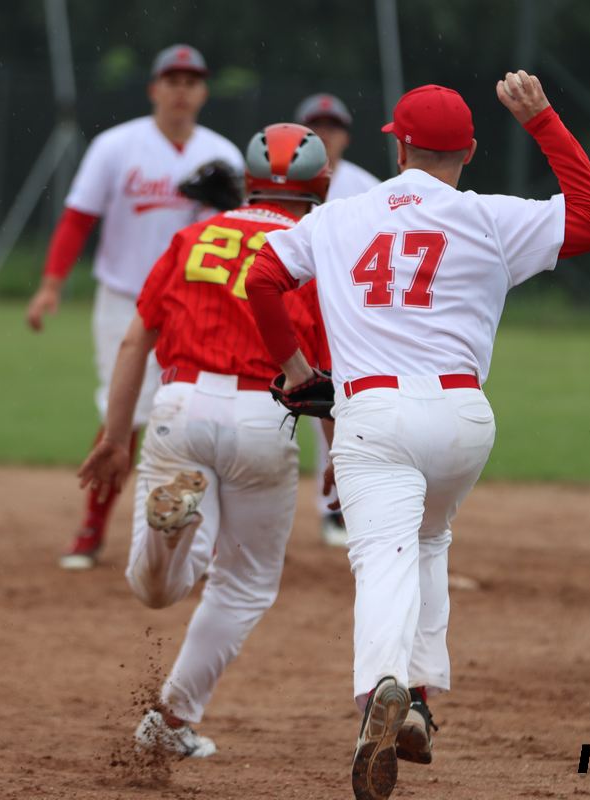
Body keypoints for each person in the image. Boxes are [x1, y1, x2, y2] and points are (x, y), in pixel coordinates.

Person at [247, 74, 590, 800]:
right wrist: (543, 122)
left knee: (382, 557)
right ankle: (417, 700)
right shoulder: (489, 218)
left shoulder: (342, 216)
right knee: (426, 540)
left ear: (400, 148)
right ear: (471, 150)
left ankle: (378, 695)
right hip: (462, 419)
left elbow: (261, 276)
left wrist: (295, 371)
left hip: (377, 416)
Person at [77, 123, 333, 757]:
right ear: (320, 188)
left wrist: (115, 437)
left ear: (248, 184)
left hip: (179, 406)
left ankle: (172, 535)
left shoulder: (192, 237)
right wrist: (341, 453)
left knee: (155, 590)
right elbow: (329, 375)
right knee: (242, 584)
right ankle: (169, 719)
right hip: (262, 419)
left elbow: (136, 341)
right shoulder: (317, 251)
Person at [24, 44, 245, 571]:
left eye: (191, 81)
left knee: (200, 411)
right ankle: (93, 527)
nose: (181, 90)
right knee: (122, 412)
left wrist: (229, 204)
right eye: (172, 79)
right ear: (153, 88)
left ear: (203, 91)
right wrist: (50, 285)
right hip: (125, 296)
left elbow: (241, 233)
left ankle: (206, 537)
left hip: (199, 305)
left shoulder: (224, 154)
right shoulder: (115, 146)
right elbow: (78, 217)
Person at [293, 92, 381, 548]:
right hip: (288, 305)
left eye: (333, 126)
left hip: (342, 311)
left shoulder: (366, 185)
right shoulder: (283, 180)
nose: (325, 134)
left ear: (346, 135)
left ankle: (337, 510)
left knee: (338, 408)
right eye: (316, 126)